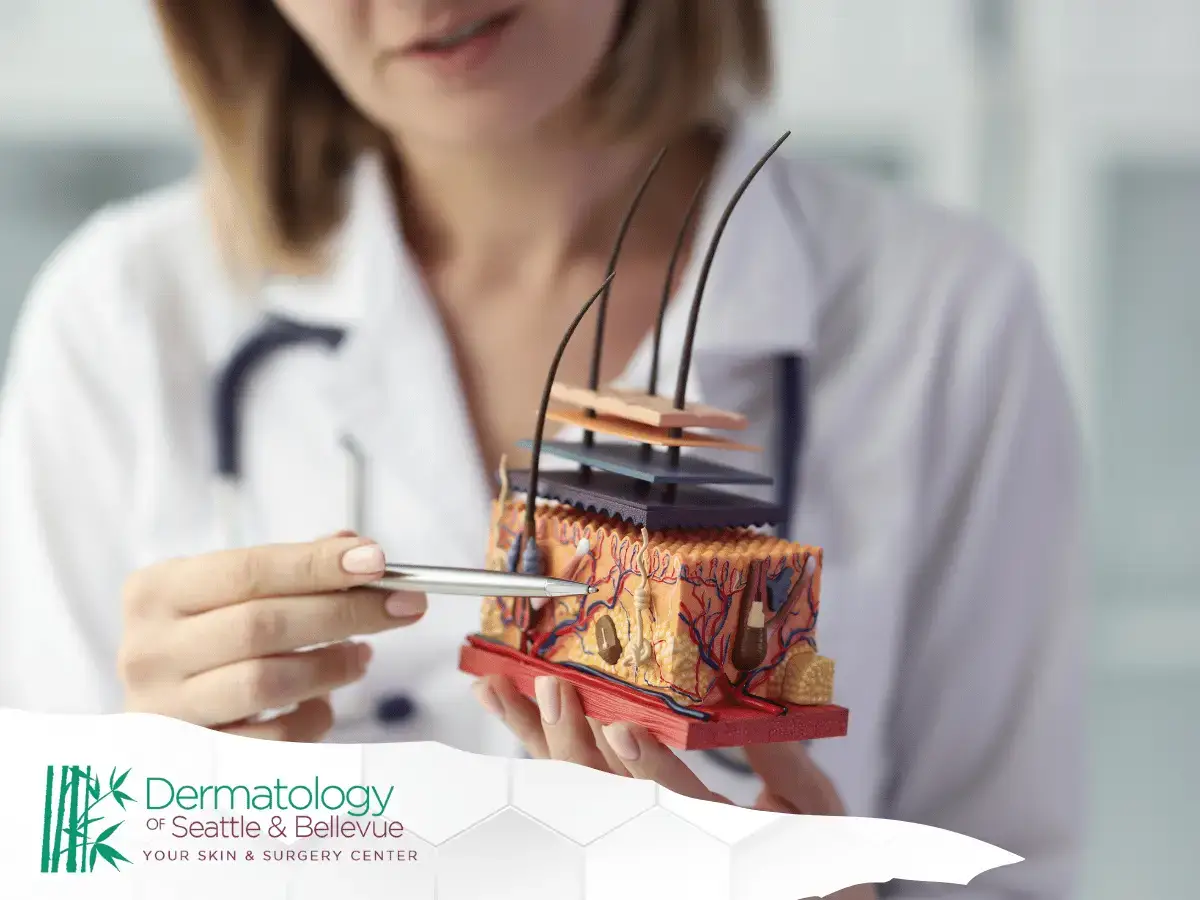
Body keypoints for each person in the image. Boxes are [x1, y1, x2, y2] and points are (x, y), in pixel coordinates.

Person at [0, 1, 1085, 897]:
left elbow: (1011, 871)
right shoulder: (122, 319)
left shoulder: (943, 315)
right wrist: (140, 820)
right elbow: (48, 863)